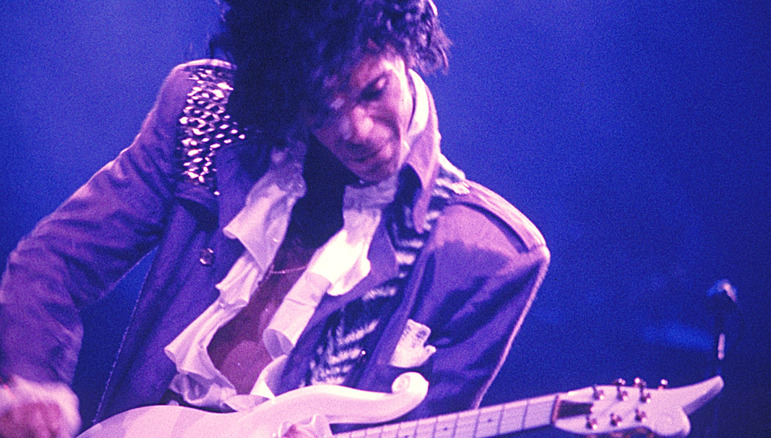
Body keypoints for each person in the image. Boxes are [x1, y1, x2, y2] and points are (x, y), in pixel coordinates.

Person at [0, 1, 549, 437]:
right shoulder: (203, 116)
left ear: (407, 48)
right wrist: (34, 378)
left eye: (372, 90)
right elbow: (54, 262)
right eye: (323, 109)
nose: (356, 129)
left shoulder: (487, 256)